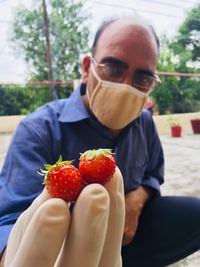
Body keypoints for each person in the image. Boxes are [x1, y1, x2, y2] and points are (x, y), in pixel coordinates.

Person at [1, 14, 200, 267]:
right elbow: (9, 218)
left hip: (129, 236)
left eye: (142, 78)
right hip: (64, 253)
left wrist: (135, 202)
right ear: (87, 68)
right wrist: (14, 255)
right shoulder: (39, 129)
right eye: (114, 68)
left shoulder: (145, 122)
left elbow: (153, 174)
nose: (126, 85)